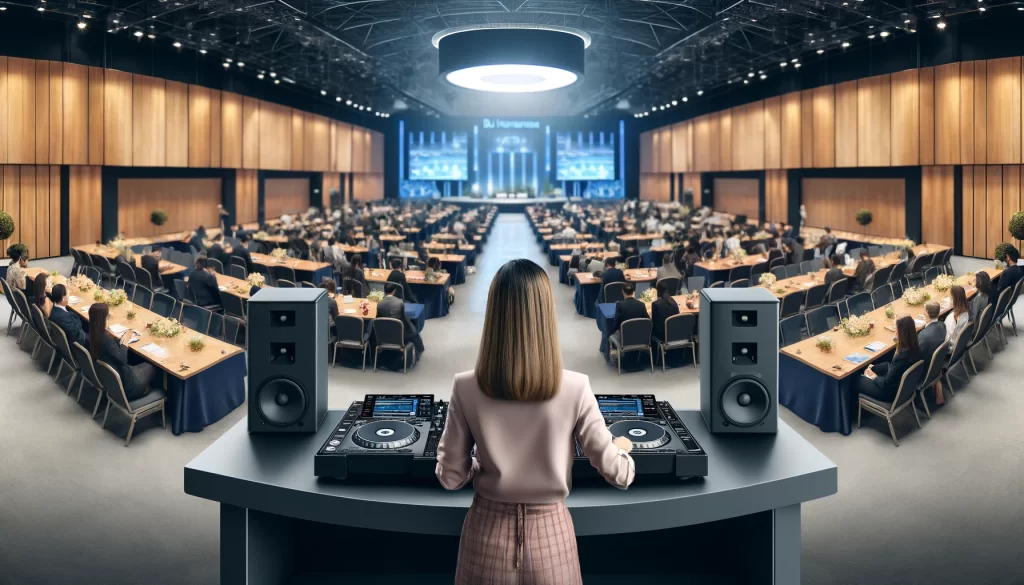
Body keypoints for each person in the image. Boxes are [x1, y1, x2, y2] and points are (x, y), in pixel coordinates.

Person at [435, 259, 634, 584]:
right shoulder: (576, 386)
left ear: (494, 313)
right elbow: (619, 475)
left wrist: (477, 464)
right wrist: (624, 449)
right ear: (546, 315)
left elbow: (450, 477)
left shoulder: (465, 386)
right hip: (552, 537)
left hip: (486, 535)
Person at [88, 303, 156, 401]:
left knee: (144, 367)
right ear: (102, 319)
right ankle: (150, 394)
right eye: (107, 315)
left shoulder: (92, 334)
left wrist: (122, 340)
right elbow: (122, 359)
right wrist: (126, 342)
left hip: (113, 381)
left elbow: (112, 350)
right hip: (127, 386)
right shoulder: (106, 341)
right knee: (151, 367)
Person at [856, 316, 921, 403]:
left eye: (896, 329)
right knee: (880, 366)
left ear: (901, 332)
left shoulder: (901, 356)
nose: (895, 332)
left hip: (890, 393)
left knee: (857, 380)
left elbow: (885, 384)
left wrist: (874, 377)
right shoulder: (916, 345)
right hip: (903, 387)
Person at [377, 282, 424, 358]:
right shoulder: (399, 302)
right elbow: (403, 319)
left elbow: (379, 319)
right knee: (413, 331)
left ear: (384, 291)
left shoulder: (379, 304)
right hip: (399, 334)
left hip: (384, 334)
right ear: (394, 291)